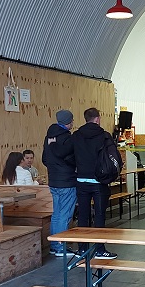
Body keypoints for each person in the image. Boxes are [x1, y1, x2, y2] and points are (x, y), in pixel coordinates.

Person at [56, 107, 121, 259]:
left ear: (86, 119)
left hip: (81, 181)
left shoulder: (76, 135)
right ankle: (99, 250)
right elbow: (114, 156)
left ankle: (82, 250)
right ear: (97, 119)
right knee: (99, 216)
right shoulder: (104, 136)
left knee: (83, 217)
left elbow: (65, 154)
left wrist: (78, 164)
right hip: (99, 181)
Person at [42, 109, 77, 257]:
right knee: (65, 215)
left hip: (53, 181)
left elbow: (44, 159)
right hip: (67, 181)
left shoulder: (49, 137)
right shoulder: (68, 138)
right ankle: (60, 246)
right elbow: (71, 159)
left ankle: (54, 245)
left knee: (56, 214)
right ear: (69, 122)